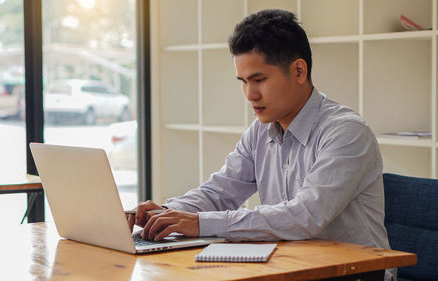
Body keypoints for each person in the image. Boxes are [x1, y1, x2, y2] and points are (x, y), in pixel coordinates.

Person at [127, 9, 395, 280]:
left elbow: (306, 216)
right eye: (243, 82)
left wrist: (199, 223)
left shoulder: (346, 131)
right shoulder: (261, 130)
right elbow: (220, 192)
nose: (250, 95)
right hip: (292, 267)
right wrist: (165, 213)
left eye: (259, 80)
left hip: (356, 273)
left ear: (299, 71)